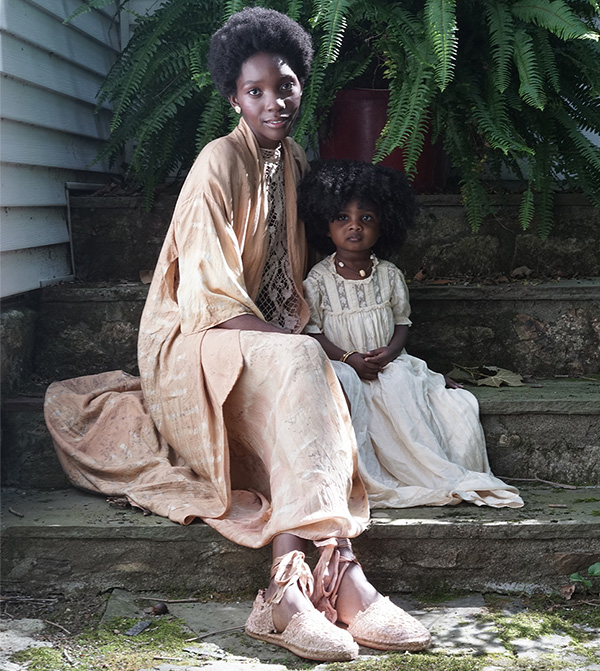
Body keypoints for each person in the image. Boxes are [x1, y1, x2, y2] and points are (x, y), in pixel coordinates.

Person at [44, 8, 431, 661]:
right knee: (300, 360)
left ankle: (300, 584)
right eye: (256, 91)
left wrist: (317, 340)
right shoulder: (215, 164)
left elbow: (301, 273)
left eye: (285, 85)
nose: (274, 102)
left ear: (303, 84)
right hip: (192, 342)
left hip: (257, 340)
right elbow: (212, 298)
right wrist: (295, 349)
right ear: (233, 97)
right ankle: (335, 578)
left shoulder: (298, 160)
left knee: (303, 364)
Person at [298, 159, 524, 510]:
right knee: (361, 402)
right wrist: (349, 359)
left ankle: (429, 467)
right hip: (345, 365)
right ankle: (386, 472)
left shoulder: (388, 275)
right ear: (325, 226)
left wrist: (389, 354)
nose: (354, 227)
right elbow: (312, 332)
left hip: (388, 362)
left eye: (366, 218)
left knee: (429, 402)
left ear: (383, 225)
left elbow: (402, 323)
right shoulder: (317, 280)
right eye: (342, 218)